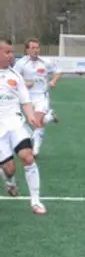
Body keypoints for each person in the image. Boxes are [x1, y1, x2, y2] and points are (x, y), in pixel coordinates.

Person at [0, 37, 46, 214]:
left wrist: (32, 117)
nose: (11, 56)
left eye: (12, 52)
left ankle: (35, 201)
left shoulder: (15, 76)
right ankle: (10, 182)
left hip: (15, 123)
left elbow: (26, 101)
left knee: (27, 157)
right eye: (7, 52)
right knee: (9, 168)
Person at [13, 38, 61, 157]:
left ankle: (35, 150)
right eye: (33, 48)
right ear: (27, 49)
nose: (35, 50)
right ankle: (49, 117)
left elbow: (58, 71)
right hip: (26, 98)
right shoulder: (20, 63)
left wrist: (53, 81)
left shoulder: (46, 62)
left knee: (37, 121)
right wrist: (25, 83)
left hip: (41, 96)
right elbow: (14, 79)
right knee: (24, 122)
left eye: (37, 48)